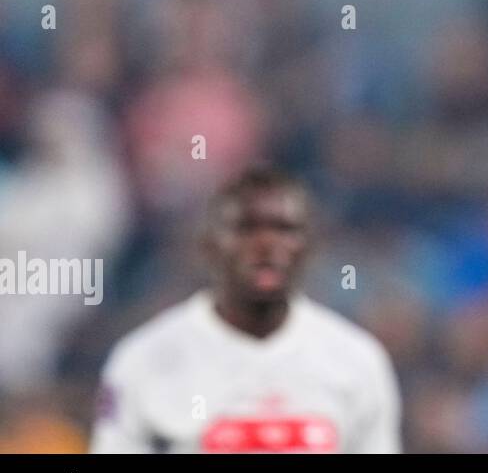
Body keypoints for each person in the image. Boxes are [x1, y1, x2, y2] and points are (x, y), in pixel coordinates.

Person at [90, 166, 400, 453]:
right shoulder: (144, 359)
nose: (266, 244)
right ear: (208, 245)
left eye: (285, 229)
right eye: (246, 229)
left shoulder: (356, 360)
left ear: (310, 247)